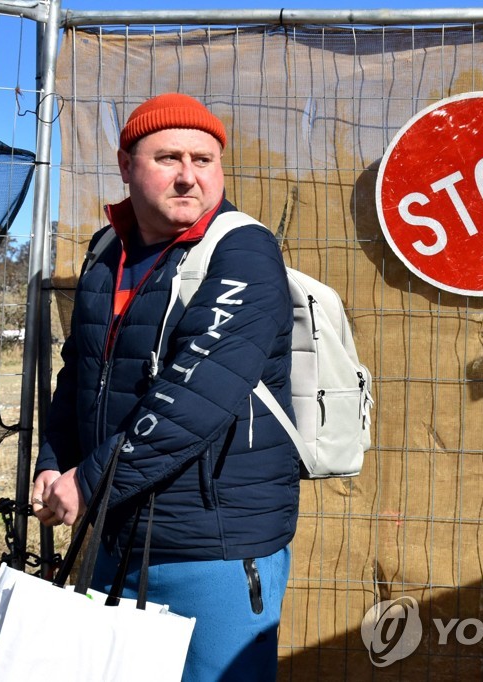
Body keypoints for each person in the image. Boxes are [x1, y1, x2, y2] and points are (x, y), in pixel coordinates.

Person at [31, 92, 299, 681]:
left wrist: (88, 482)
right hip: (114, 533)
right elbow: (77, 372)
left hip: (213, 549)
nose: (187, 177)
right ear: (126, 166)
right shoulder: (106, 253)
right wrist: (56, 462)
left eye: (203, 160)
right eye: (168, 158)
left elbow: (194, 397)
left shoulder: (242, 251)